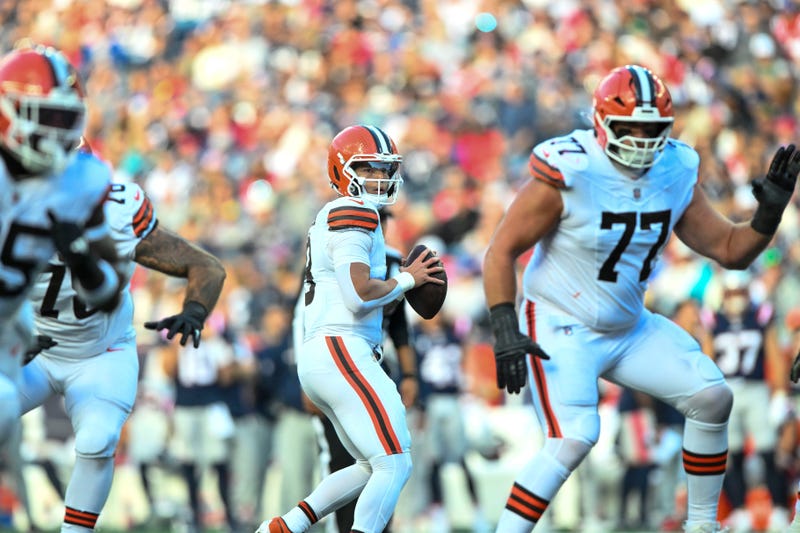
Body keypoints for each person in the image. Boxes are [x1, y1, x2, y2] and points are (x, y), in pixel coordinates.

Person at [482, 64, 800, 533]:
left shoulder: (674, 169)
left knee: (712, 398)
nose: (640, 138)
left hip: (628, 326)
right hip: (558, 320)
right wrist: (505, 325)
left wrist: (768, 214)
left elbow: (731, 250)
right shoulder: (572, 168)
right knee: (574, 436)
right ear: (600, 122)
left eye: (651, 128)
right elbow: (501, 250)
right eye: (629, 126)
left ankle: (701, 526)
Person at [20, 139, 226, 532]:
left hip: (103, 351)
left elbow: (206, 266)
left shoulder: (119, 210)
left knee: (98, 440)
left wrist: (195, 311)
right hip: (35, 352)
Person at [256, 124, 443, 533]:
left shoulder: (345, 214)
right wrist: (410, 279)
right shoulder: (352, 210)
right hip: (342, 346)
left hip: (330, 351)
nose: (378, 178)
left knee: (368, 465)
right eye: (368, 168)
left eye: (384, 169)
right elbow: (358, 295)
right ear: (342, 169)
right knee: (396, 462)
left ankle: (285, 527)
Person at [0, 44, 123, 460]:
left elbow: (108, 290)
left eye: (64, 121)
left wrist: (82, 261)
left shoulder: (80, 181)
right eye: (45, 118)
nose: (57, 134)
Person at [313, 207, 419, 533]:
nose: (378, 224)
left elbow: (399, 326)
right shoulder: (336, 254)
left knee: (384, 461)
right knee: (352, 459)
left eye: (382, 218)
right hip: (339, 358)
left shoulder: (393, 258)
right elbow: (315, 311)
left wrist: (410, 374)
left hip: (374, 360)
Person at [704, 270, 789, 532]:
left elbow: (774, 354)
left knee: (768, 451)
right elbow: (707, 358)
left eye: (739, 292)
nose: (735, 298)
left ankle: (779, 509)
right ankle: (739, 510)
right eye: (731, 293)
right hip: (726, 390)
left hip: (756, 389)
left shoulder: (761, 316)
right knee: (732, 455)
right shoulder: (712, 319)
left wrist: (779, 392)